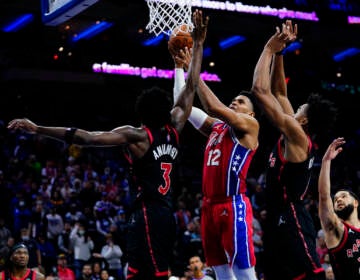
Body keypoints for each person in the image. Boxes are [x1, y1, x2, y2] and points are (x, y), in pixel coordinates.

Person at [8, 9, 208, 280]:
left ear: (141, 112)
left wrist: (38, 129)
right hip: (167, 212)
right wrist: (197, 46)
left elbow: (86, 138)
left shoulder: (137, 135)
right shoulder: (176, 124)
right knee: (137, 273)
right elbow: (191, 87)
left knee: (153, 275)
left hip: (147, 214)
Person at [251, 20, 338, 279]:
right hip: (277, 216)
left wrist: (268, 49)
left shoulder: (297, 135)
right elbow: (279, 91)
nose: (295, 106)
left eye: (301, 108)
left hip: (292, 217)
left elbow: (260, 90)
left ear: (305, 120)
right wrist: (281, 52)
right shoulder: (295, 130)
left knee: (309, 275)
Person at [171, 27, 259, 280]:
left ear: (251, 113)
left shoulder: (250, 127)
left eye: (241, 102)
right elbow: (182, 105)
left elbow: (211, 105)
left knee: (243, 271)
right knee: (220, 271)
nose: (234, 103)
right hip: (208, 205)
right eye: (233, 100)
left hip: (232, 204)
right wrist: (179, 68)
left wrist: (193, 68)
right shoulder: (216, 127)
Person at [318, 137, 360, 279]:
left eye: (343, 196)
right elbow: (324, 197)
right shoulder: (336, 229)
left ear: (356, 203)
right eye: (336, 199)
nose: (339, 199)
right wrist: (326, 161)